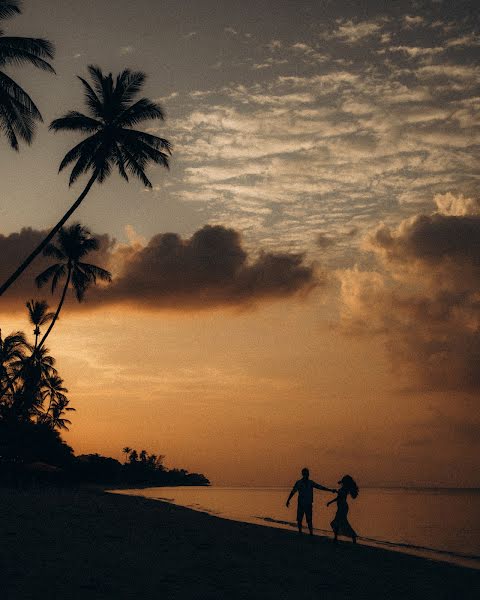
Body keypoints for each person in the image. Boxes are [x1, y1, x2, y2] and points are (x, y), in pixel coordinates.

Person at [286, 467, 336, 535]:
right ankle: (300, 532)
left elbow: (320, 487)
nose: (307, 475)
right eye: (305, 473)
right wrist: (288, 500)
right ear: (303, 474)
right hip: (301, 503)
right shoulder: (299, 483)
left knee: (309, 520)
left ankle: (311, 533)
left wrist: (330, 490)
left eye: (307, 473)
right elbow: (293, 492)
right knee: (300, 519)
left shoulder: (310, 483)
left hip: (308, 504)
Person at [326, 474, 359, 543]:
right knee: (338, 522)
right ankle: (337, 537)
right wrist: (331, 501)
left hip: (342, 507)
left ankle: (352, 535)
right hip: (342, 507)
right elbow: (339, 496)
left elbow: (340, 496)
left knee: (338, 522)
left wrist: (331, 500)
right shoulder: (344, 488)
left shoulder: (344, 489)